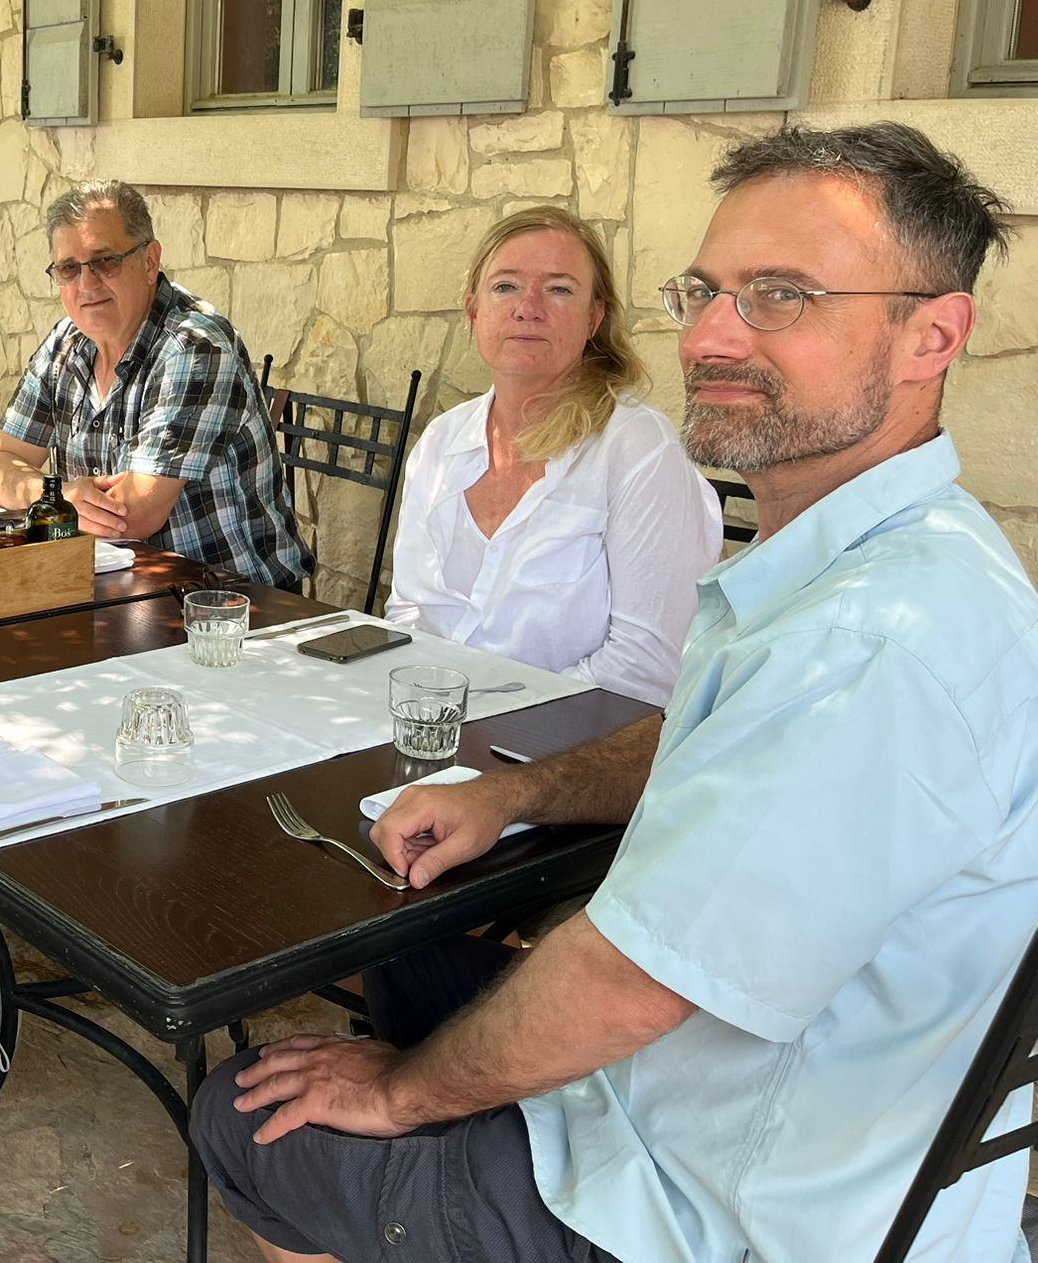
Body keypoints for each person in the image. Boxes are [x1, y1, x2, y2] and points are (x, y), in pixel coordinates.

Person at [190, 122, 1038, 1262]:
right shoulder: (852, 559)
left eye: (780, 296)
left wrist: (399, 1094)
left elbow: (635, 985)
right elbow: (699, 741)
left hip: (719, 1197)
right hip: (704, 1084)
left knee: (247, 1115)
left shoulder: (875, 635)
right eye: (706, 291)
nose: (713, 334)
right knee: (408, 950)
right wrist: (514, 793)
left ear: (933, 334)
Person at [385, 206, 721, 707]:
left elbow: (648, 668)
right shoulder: (441, 440)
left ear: (594, 318)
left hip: (564, 741)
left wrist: (485, 717)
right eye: (505, 286)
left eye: (559, 289)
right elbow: (408, 611)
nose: (528, 308)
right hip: (428, 723)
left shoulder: (636, 448)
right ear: (474, 310)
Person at [0, 180, 310, 588]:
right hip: (118, 587)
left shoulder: (194, 348)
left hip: (232, 601)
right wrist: (54, 497)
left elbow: (129, 517)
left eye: (105, 261)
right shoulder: (66, 343)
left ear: (150, 261)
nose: (86, 285)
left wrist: (51, 502)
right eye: (69, 269)